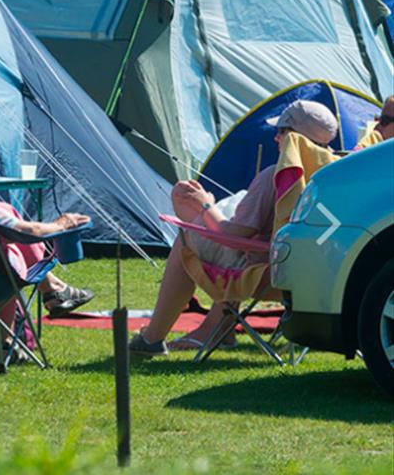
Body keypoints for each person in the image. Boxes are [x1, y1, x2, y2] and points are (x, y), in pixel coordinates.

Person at [130, 100, 338, 357]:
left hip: (271, 276)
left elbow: (235, 236)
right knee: (219, 239)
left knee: (187, 237)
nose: (275, 138)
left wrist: (205, 206)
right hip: (319, 278)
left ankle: (152, 338)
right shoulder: (331, 179)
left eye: (280, 131)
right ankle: (218, 329)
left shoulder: (276, 176)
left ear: (290, 136)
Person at [0, 201, 95, 317]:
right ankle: (52, 288)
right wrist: (61, 226)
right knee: (0, 256)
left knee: (2, 211)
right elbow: (30, 231)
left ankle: (53, 287)